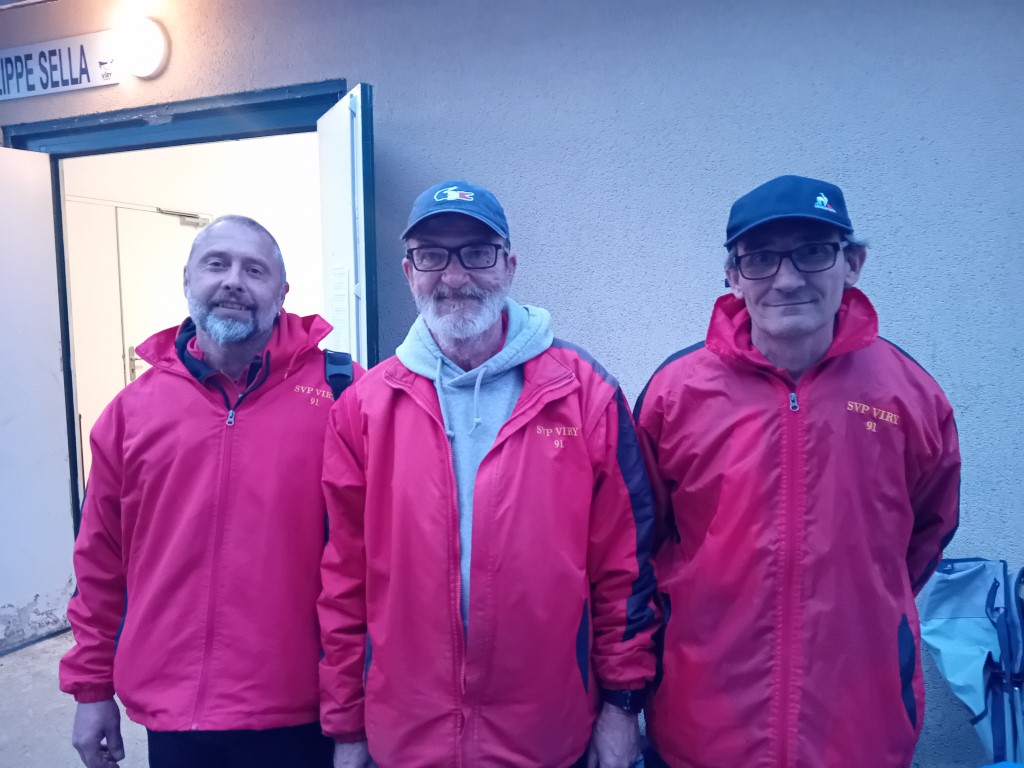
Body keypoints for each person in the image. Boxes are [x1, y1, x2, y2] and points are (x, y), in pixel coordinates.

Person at [319, 181, 658, 768]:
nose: (455, 276)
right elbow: (344, 580)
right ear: (408, 270)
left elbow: (625, 568)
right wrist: (347, 727)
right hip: (408, 739)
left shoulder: (584, 394)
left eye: (477, 253)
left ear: (509, 265)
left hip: (547, 736)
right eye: (432, 255)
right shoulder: (365, 407)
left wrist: (623, 706)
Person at [635, 175, 961, 768]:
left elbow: (924, 537)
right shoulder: (674, 394)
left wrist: (853, 597)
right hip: (700, 731)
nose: (787, 280)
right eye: (759, 259)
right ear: (733, 276)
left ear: (852, 263)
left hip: (858, 732)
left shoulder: (909, 395)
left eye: (813, 253)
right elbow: (642, 543)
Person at [60, 215, 361, 768]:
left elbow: (372, 564)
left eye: (255, 270)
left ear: (282, 293)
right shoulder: (132, 412)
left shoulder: (345, 395)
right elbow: (100, 562)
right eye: (216, 264)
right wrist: (91, 687)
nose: (233, 282)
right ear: (187, 280)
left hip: (303, 714)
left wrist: (357, 715)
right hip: (176, 716)